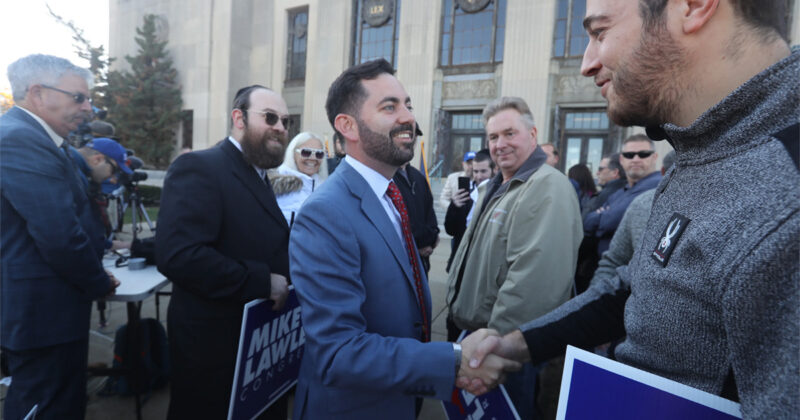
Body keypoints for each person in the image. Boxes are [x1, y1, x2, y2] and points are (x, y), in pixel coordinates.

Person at [462, 1, 799, 418]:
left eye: (600, 33)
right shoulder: (699, 154)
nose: (587, 63)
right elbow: (633, 290)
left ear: (693, 7)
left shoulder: (786, 194)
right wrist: (518, 344)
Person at [288, 59, 520, 420]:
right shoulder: (325, 214)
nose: (408, 117)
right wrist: (454, 361)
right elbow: (338, 351)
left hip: (397, 398)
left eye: (408, 104)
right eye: (389, 106)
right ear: (346, 125)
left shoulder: (392, 193)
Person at [155, 84, 292, 419]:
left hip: (254, 348)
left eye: (286, 122)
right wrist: (263, 281)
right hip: (213, 351)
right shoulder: (202, 167)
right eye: (270, 117)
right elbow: (178, 255)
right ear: (238, 118)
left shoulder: (257, 174)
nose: (280, 128)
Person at [446, 96, 583, 418]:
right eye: (493, 137)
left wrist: (494, 347)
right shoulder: (500, 184)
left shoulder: (547, 187)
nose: (499, 144)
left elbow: (534, 282)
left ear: (532, 134)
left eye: (509, 133)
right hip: (480, 339)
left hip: (506, 351)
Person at [0, 54, 118, 419]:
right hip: (41, 313)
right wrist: (98, 282)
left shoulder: (42, 138)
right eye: (78, 97)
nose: (88, 107)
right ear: (37, 93)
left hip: (50, 307)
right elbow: (59, 234)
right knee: (46, 405)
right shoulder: (20, 139)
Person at [583, 134, 661, 256]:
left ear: (654, 157)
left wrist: (603, 214)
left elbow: (610, 220)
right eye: (629, 155)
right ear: (621, 160)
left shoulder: (657, 186)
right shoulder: (621, 191)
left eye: (643, 154)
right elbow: (587, 221)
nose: (635, 159)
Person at [443, 149, 493, 273]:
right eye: (476, 171)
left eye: (483, 171)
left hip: (484, 265)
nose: (479, 176)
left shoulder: (498, 195)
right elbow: (451, 229)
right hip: (462, 261)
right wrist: (454, 206)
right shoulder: (467, 195)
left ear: (494, 170)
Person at [270, 131, 329, 225]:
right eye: (306, 152)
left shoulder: (327, 190)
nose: (313, 158)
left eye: (319, 154)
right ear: (293, 153)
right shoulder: (274, 186)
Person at [393, 160, 439, 273]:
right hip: (400, 262)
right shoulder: (387, 177)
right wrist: (416, 245)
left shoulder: (418, 176)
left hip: (422, 263)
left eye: (411, 140)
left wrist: (431, 241)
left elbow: (430, 213)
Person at [582, 153, 626, 218]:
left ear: (615, 172)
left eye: (600, 169)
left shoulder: (607, 195)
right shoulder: (625, 192)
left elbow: (586, 223)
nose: (597, 173)